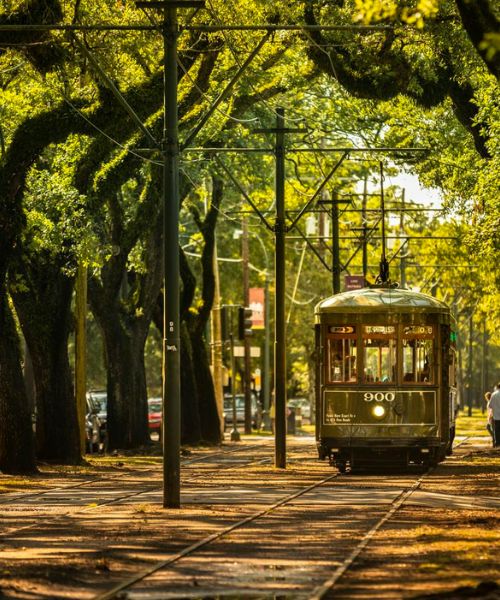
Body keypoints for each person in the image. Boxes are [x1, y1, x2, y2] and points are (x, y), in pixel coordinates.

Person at [487, 383, 500, 448]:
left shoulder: (494, 394)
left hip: (496, 416)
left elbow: (490, 405)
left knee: (496, 430)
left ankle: (497, 444)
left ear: (497, 387)